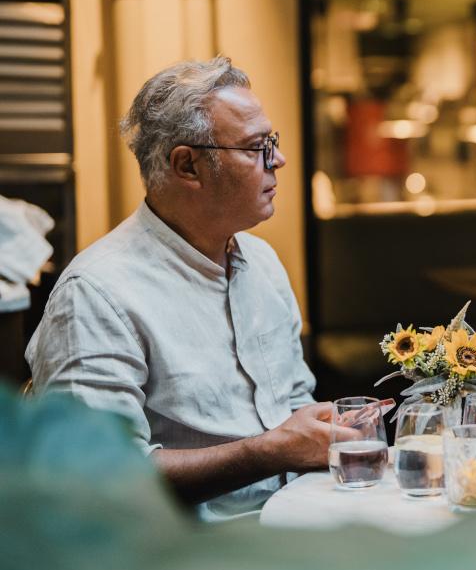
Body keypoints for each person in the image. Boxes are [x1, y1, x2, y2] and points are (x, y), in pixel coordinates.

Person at [27, 58, 331, 520]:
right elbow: (95, 478)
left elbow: (293, 403)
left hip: (298, 525)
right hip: (183, 554)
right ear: (188, 165)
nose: (279, 160)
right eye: (256, 147)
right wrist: (269, 452)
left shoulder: (263, 263)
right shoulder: (96, 294)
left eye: (274, 142)